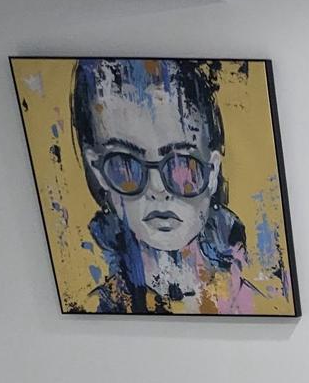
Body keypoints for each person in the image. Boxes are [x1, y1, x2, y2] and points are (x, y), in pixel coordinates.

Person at [70, 58, 258, 314]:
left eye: (181, 166)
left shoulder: (251, 302)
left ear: (212, 171)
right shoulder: (98, 308)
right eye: (126, 165)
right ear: (98, 171)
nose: (157, 189)